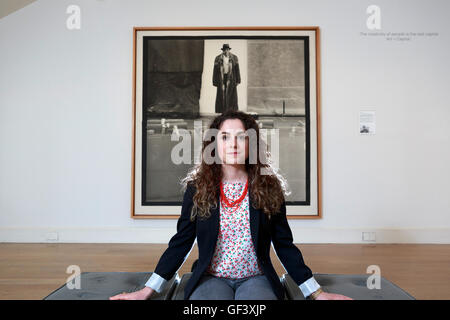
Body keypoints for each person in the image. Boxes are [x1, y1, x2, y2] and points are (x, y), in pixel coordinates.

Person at [110, 110, 352, 300]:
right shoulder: (197, 188)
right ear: (215, 145)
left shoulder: (269, 188)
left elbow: (284, 245)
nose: (233, 144)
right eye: (225, 137)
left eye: (241, 138)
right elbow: (180, 243)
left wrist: (317, 293)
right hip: (210, 278)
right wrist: (147, 290)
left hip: (256, 278)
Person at [213, 44, 241, 113]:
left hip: (231, 78)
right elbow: (215, 70)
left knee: (231, 96)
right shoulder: (218, 58)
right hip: (221, 78)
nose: (226, 51)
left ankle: (231, 112)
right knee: (221, 95)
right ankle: (221, 111)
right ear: (223, 50)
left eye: (227, 49)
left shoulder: (234, 58)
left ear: (229, 50)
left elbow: (237, 69)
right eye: (224, 50)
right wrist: (214, 81)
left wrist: (238, 80)